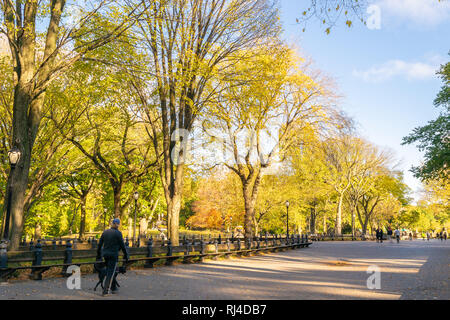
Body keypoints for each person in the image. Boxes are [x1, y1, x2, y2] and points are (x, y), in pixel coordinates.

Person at [97, 218, 129, 296]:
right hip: (113, 256)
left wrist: (99, 254)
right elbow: (122, 245)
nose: (117, 225)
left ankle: (114, 288)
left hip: (105, 255)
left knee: (110, 271)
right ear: (117, 224)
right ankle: (105, 291)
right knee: (110, 273)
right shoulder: (118, 233)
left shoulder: (105, 232)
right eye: (117, 224)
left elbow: (100, 244)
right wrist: (126, 255)